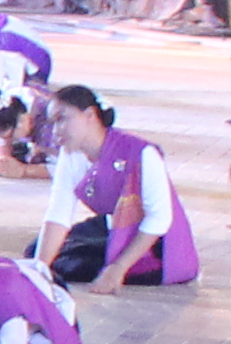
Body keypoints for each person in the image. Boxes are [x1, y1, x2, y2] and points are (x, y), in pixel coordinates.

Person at [40, 85, 198, 287]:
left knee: (77, 266)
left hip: (157, 243)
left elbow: (159, 219)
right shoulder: (71, 153)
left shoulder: (141, 153)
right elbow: (58, 213)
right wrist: (39, 267)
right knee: (41, 252)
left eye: (62, 119)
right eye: (53, 123)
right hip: (113, 226)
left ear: (90, 115)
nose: (56, 131)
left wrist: (118, 269)